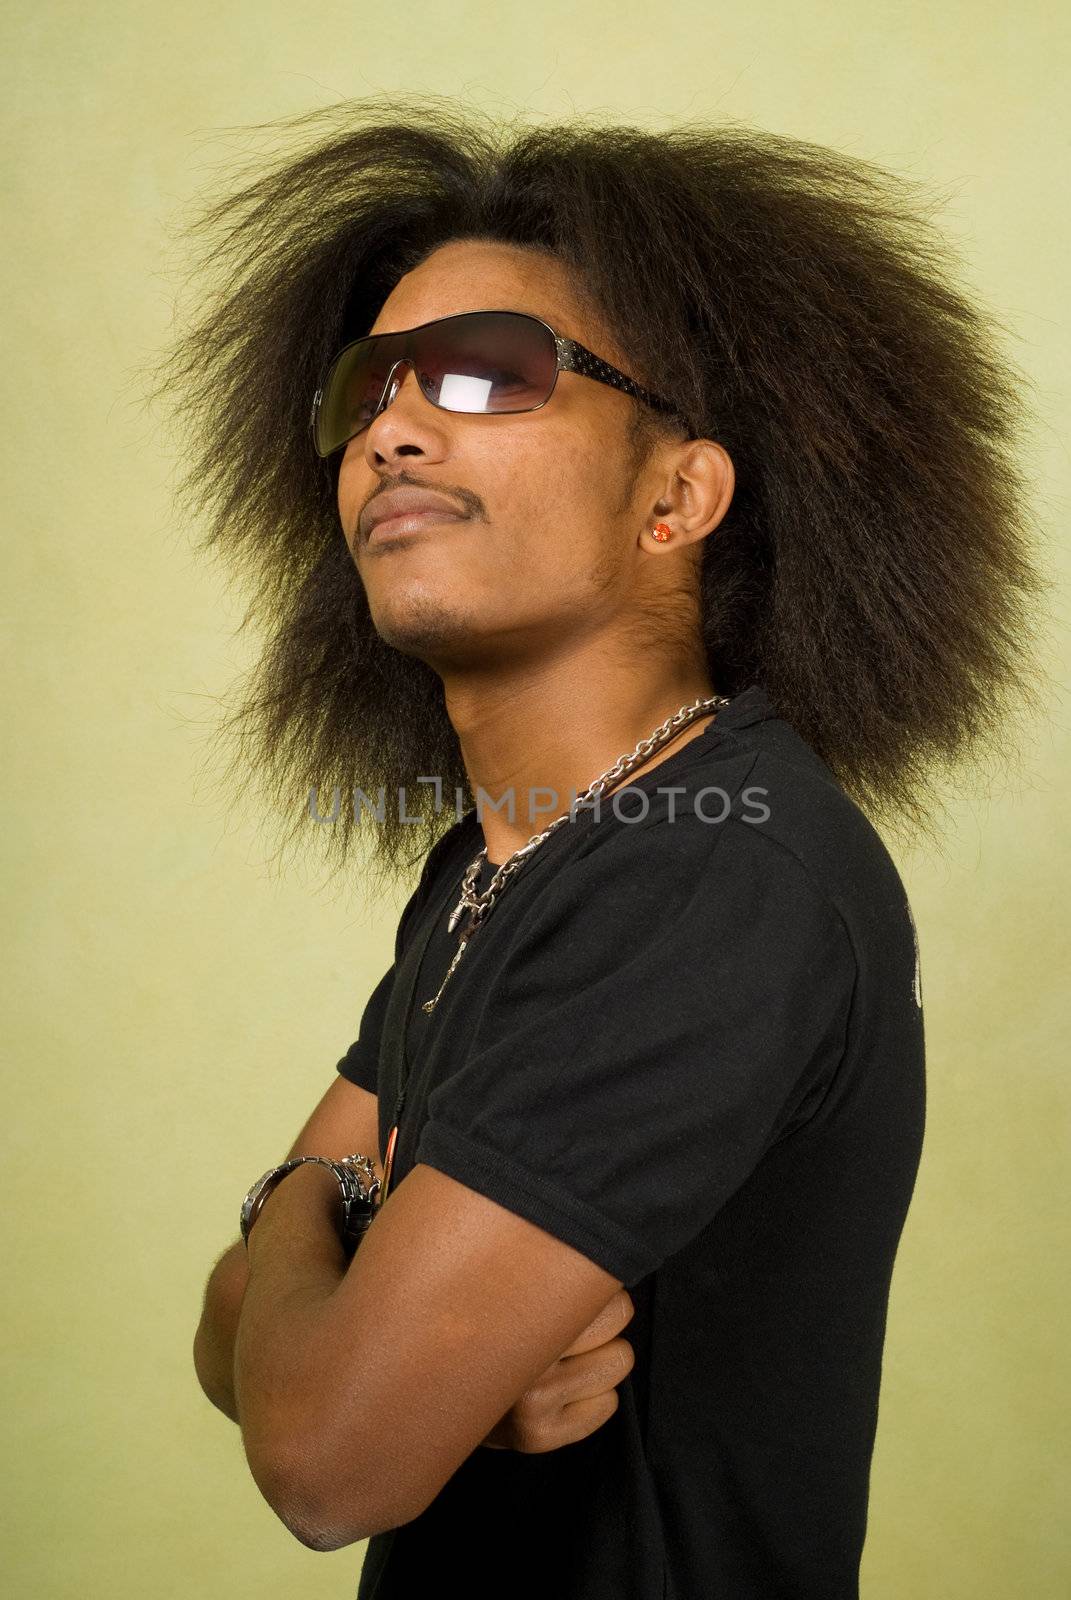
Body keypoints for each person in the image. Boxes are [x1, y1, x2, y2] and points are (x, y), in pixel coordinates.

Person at [160, 99, 1048, 1598]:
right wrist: (340, 1275)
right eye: (364, 391)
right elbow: (223, 1343)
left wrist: (307, 1228)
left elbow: (324, 1457)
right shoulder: (494, 866)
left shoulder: (714, 870)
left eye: (490, 373)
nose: (392, 425)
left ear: (677, 496)